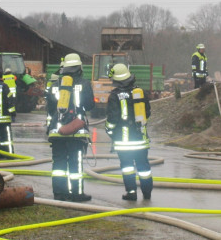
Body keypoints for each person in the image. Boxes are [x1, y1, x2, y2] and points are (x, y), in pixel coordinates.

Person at [48, 53, 95, 202]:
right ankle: (77, 194)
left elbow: (50, 109)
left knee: (59, 164)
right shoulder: (84, 84)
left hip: (57, 131)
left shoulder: (54, 85)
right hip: (77, 131)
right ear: (79, 67)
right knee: (76, 163)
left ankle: (59, 193)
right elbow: (90, 105)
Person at [105, 64, 153, 200]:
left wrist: (108, 129)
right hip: (141, 139)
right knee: (144, 167)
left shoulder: (115, 96)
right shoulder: (139, 92)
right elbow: (147, 113)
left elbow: (112, 118)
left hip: (124, 141)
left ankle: (131, 193)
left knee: (127, 167)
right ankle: (147, 193)